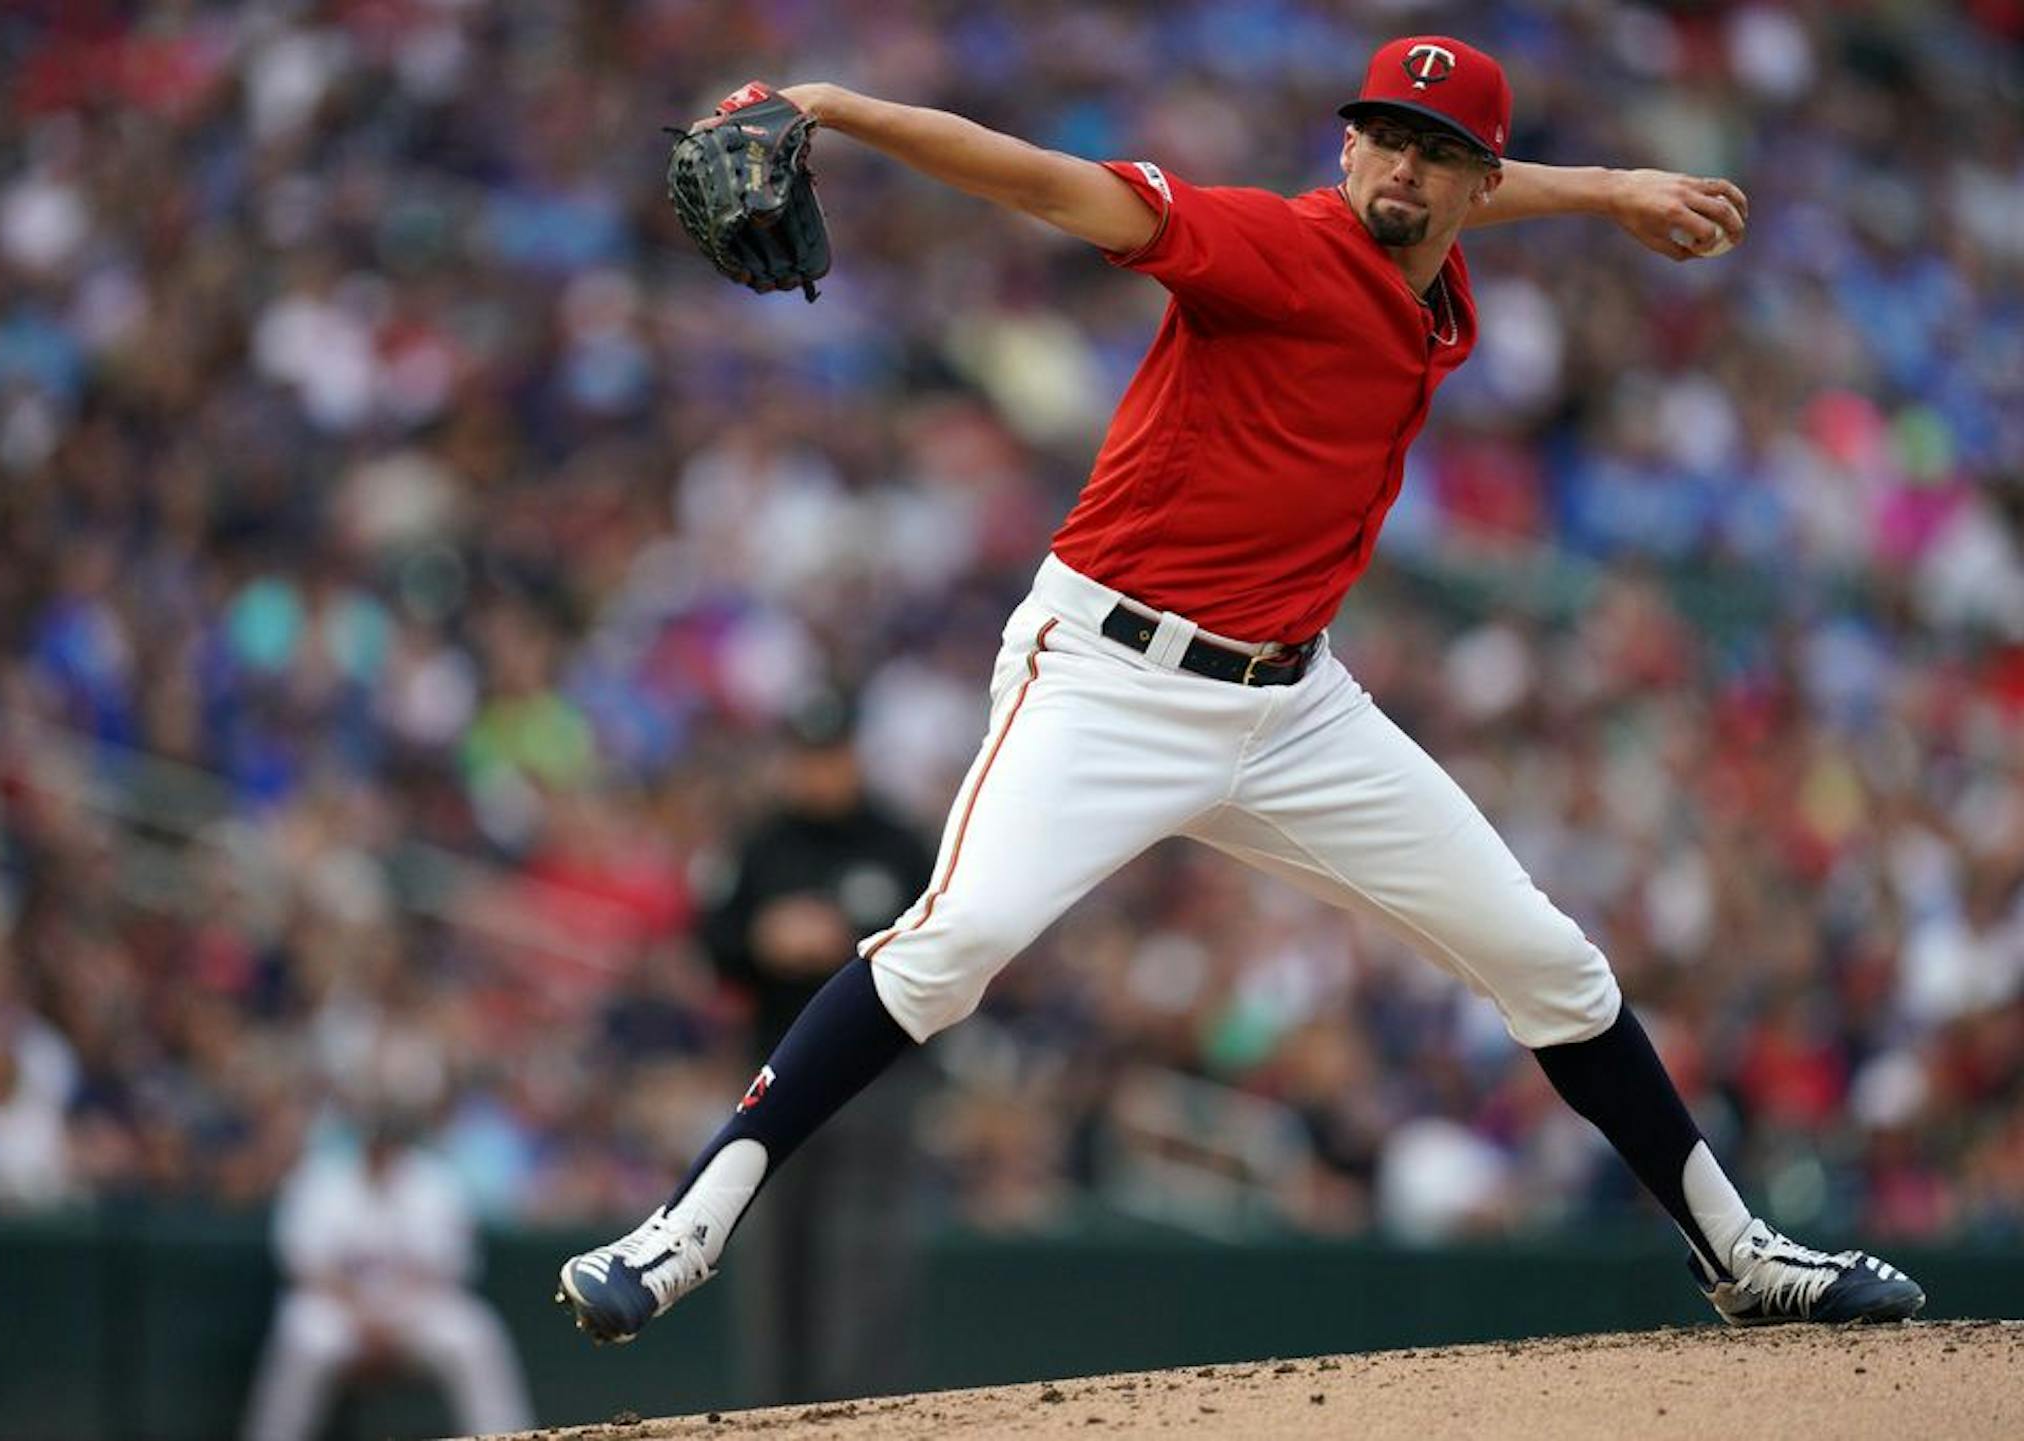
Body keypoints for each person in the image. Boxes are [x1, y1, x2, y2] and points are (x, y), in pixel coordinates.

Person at [557, 34, 1925, 1347]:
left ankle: (1740, 1255)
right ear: (1344, 148)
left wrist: (1613, 189)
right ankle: (683, 1227)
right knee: (952, 944)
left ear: (1476, 184)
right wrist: (838, 107)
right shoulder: (1275, 244)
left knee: (1548, 962)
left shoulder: (1431, 270)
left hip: (1295, 708)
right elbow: (1051, 182)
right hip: (1106, 678)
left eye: (1433, 150)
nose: (1400, 167)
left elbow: (1458, 213)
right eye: (1380, 136)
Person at [694, 689, 934, 1400]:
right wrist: (765, 937)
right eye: (805, 756)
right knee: (775, 1260)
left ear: (854, 756)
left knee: (863, 1262)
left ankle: (855, 1414)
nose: (817, 771)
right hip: (775, 1074)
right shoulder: (762, 843)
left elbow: (946, 941)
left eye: (829, 756)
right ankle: (774, 1414)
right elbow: (713, 937)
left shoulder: (899, 841)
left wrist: (851, 942)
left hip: (877, 1082)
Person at [244, 1110, 530, 1441]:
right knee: (303, 1335)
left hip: (417, 1311)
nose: (382, 1146)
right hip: (339, 1311)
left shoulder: (434, 1181)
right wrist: (366, 1318)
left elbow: (451, 1268)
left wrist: (393, 1318)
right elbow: (305, 1268)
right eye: (375, 1137)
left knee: (474, 1333)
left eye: (390, 1137)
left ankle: (506, 1437)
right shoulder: (321, 1179)